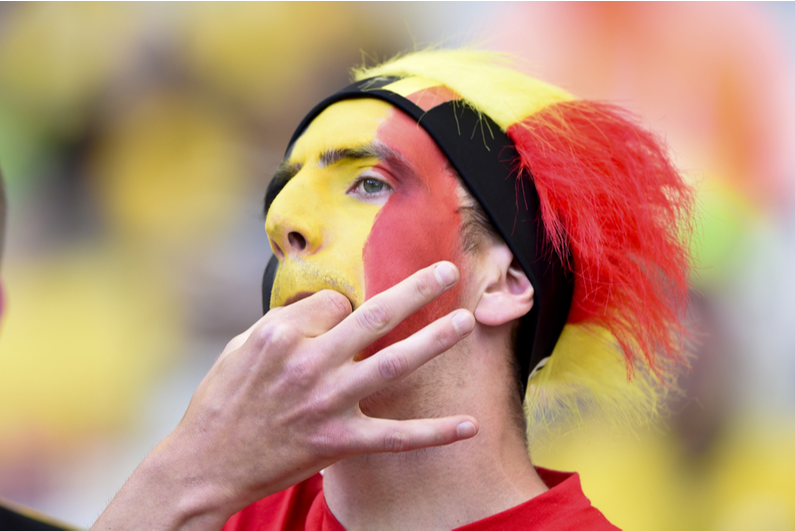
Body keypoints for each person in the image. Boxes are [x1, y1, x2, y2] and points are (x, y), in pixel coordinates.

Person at [92, 49, 693, 530]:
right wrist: (187, 476)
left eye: (369, 183)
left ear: (504, 281)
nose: (281, 223)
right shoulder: (216, 505)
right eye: (282, 192)